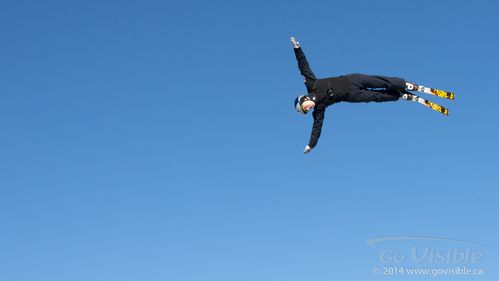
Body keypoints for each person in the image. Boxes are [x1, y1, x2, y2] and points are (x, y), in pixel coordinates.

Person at [291, 37, 418, 154]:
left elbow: (303, 67)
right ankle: (398, 95)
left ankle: (405, 85)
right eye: (306, 111)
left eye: (305, 107)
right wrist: (311, 145)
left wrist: (297, 48)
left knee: (379, 81)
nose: (308, 109)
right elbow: (317, 128)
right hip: (351, 95)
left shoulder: (311, 84)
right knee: (375, 96)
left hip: (351, 80)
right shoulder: (319, 109)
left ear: (304, 99)